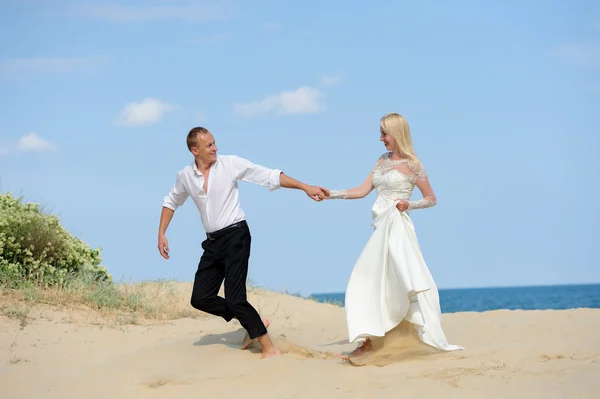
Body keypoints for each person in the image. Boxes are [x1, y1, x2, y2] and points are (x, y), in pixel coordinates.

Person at [158, 126, 327, 359]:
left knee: (236, 298)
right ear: (195, 150)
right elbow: (171, 201)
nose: (215, 147)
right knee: (200, 298)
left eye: (215, 142)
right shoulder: (185, 176)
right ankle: (253, 321)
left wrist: (305, 187)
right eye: (209, 145)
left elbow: (269, 175)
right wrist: (162, 233)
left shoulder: (230, 164)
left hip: (236, 236)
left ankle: (270, 348)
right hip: (212, 242)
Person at [324, 113, 463, 360]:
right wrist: (331, 193)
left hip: (398, 229)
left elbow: (432, 199)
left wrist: (408, 204)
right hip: (380, 229)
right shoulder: (381, 160)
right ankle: (370, 341)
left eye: (384, 133)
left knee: (393, 282)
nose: (381, 139)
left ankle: (377, 342)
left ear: (396, 134)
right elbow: (362, 190)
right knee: (373, 280)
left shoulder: (414, 165)